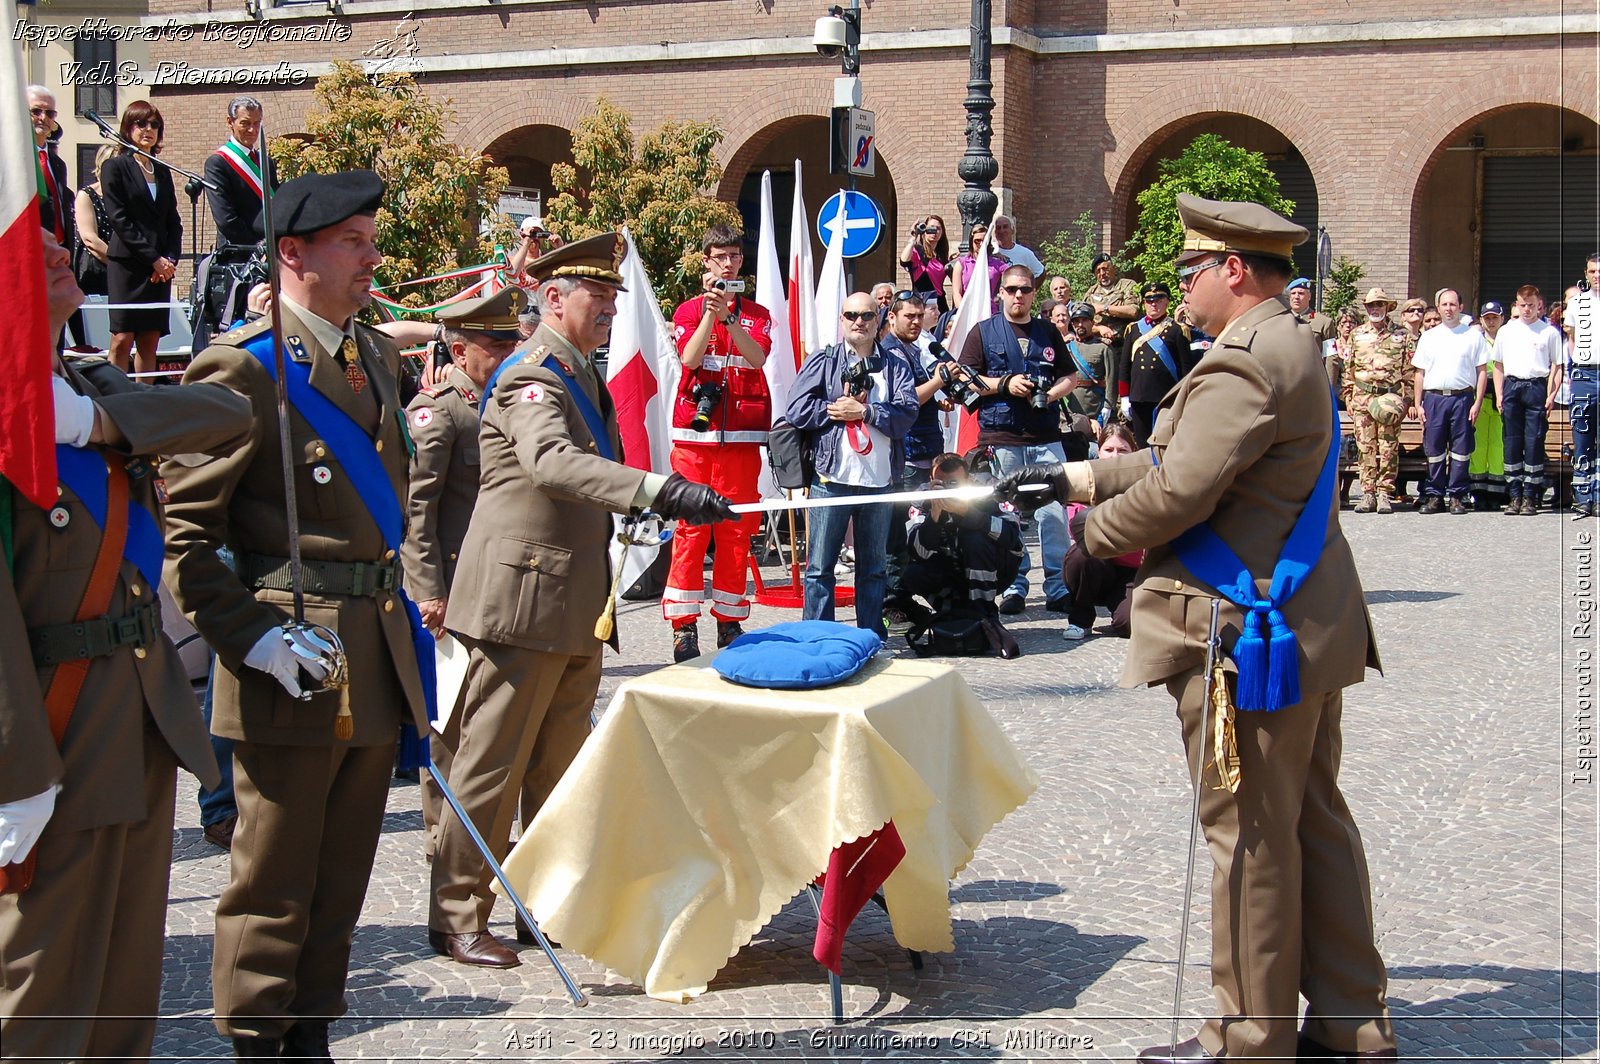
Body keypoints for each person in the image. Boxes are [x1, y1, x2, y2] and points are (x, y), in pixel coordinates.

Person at [996, 193, 1397, 1063]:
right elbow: (1190, 463)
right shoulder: (1292, 345)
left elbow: (1181, 492)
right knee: (1311, 820)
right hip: (1304, 625)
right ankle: (1349, 1018)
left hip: (1244, 637)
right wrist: (1072, 480)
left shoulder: (1241, 363)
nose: (1181, 288)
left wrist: (1092, 541)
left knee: (1250, 833)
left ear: (1233, 271)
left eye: (1189, 271)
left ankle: (1248, 1036)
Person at [163, 171, 434, 1058]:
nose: (371, 258)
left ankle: (311, 1029)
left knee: (343, 868)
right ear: (293, 254)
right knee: (274, 872)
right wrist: (250, 638)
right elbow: (187, 540)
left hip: (373, 649)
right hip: (294, 648)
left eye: (369, 239)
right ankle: (254, 1036)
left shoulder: (376, 356)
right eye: (352, 241)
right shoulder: (243, 366)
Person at [429, 234, 737, 968]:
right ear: (553, 299)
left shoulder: (578, 377)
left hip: (567, 601)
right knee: (491, 765)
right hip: (520, 600)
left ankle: (546, 900)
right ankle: (456, 914)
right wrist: (658, 488)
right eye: (594, 298)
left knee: (558, 770)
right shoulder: (530, 376)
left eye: (611, 299)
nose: (606, 310)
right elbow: (551, 463)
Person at [0, 230, 249, 1062]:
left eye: (52, 234)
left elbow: (226, 413)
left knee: (123, 987)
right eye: (26, 239)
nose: (54, 246)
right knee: (39, 987)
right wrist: (16, 775)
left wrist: (96, 419)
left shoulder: (80, 379)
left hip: (140, 716)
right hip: (53, 729)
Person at [401, 286, 525, 856]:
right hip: (452, 591)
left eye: (509, 341)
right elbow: (417, 513)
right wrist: (428, 592)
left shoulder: (509, 401)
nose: (503, 353)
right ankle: (442, 838)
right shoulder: (441, 411)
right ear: (458, 352)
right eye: (490, 345)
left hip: (501, 588)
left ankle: (491, 836)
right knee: (449, 723)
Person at [663, 224, 773, 661]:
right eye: (719, 257)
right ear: (705, 261)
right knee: (691, 528)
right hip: (695, 436)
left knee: (735, 529)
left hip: (742, 438)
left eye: (733, 257)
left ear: (741, 261)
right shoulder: (689, 310)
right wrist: (711, 312)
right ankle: (683, 625)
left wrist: (730, 316)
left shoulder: (757, 313)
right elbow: (689, 358)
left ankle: (729, 619)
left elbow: (758, 357)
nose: (727, 264)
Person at [785, 292, 919, 638]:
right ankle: (817, 637)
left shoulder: (896, 365)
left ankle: (871, 636)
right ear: (841, 320)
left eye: (866, 315)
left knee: (873, 568)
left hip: (879, 481)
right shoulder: (824, 360)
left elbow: (906, 416)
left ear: (879, 320)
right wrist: (835, 410)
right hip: (831, 479)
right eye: (851, 315)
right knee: (819, 568)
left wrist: (867, 412)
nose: (859, 321)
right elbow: (797, 409)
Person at [957, 263, 1081, 615]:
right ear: (1000, 293)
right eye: (1011, 290)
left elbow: (1070, 376)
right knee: (1009, 516)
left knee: (1054, 513)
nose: (1018, 296)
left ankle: (1058, 586)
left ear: (1033, 293)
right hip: (1002, 436)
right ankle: (1013, 584)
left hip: (1045, 434)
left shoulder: (1047, 331)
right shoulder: (984, 332)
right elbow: (967, 379)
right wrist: (1004, 385)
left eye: (1025, 290)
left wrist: (1051, 394)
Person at [886, 452, 1023, 633]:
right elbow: (917, 552)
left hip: (996, 567)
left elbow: (1013, 539)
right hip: (950, 566)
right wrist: (933, 516)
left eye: (954, 483)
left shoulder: (987, 489)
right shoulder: (923, 497)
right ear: (931, 480)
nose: (949, 489)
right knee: (912, 572)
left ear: (968, 479)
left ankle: (983, 611)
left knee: (974, 539)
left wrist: (969, 513)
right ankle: (953, 611)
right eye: (942, 483)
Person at [101, 101, 182, 376]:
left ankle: (143, 400)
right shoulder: (115, 167)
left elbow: (173, 221)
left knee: (150, 340)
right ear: (128, 128)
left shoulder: (162, 170)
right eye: (141, 124)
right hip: (128, 264)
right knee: (123, 338)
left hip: (160, 269)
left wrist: (169, 260)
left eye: (154, 125)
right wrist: (154, 259)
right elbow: (119, 219)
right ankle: (116, 398)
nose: (148, 130)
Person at [1060, 422, 1142, 640]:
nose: (1115, 456)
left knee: (1130, 625)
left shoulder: (1146, 487)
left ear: (1134, 453)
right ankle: (1080, 618)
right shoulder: (1084, 485)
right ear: (1098, 451)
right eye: (1109, 450)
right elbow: (1076, 530)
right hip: (1094, 564)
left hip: (1132, 572)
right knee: (1083, 552)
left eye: (1122, 450)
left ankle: (1122, 607)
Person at [1411, 289, 1489, 515]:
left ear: (1460, 307)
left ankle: (1457, 496)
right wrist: (1418, 403)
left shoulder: (1473, 336)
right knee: (1434, 449)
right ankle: (1435, 496)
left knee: (1461, 451)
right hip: (1434, 398)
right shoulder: (1429, 337)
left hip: (1462, 398)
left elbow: (1482, 371)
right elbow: (1419, 373)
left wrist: (1477, 402)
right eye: (1444, 305)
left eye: (1453, 304)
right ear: (1438, 307)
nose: (1448, 309)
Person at [1343, 287, 1415, 514]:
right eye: (1371, 305)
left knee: (1388, 448)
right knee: (1365, 448)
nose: (1375, 309)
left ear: (1387, 307)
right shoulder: (1357, 335)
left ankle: (1385, 492)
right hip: (1363, 397)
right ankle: (1367, 493)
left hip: (1389, 398)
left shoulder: (1401, 335)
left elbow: (1409, 371)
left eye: (1380, 304)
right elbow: (1349, 368)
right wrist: (1347, 397)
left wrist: (1407, 401)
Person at [1495, 285, 1565, 514]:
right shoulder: (1507, 331)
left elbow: (1557, 365)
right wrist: (1499, 394)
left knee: (1534, 442)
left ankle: (1530, 496)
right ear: (1516, 305)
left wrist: (1551, 394)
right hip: (1512, 386)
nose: (1527, 310)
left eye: (1531, 305)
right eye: (1522, 305)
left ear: (1539, 305)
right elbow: (1498, 365)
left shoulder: (1548, 332)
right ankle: (1514, 495)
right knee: (1512, 442)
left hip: (1536, 387)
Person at [30, 87, 87, 348]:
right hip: (29, 256)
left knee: (56, 337)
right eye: (35, 111)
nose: (43, 117)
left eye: (49, 112)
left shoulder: (57, 164)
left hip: (58, 256)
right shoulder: (13, 159)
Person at [1111, 281, 1196, 443]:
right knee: (1142, 443)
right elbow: (1125, 366)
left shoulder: (1177, 330)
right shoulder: (1134, 329)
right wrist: (1125, 397)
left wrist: (1185, 397)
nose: (1153, 304)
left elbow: (1186, 370)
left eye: (1158, 299)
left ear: (1167, 301)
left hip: (1166, 397)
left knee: (1165, 442)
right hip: (1139, 396)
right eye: (1149, 300)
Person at [203, 96, 277, 248]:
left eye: (257, 123)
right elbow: (226, 219)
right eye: (245, 123)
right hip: (239, 252)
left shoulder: (266, 162)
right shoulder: (218, 163)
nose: (252, 130)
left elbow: (276, 204)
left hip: (272, 250)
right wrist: (258, 246)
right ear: (230, 122)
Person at [1571, 254, 1600, 518]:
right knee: (1582, 436)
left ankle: (1599, 497)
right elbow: (1572, 338)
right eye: (1592, 271)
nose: (1597, 276)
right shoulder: (1577, 303)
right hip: (1584, 375)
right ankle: (1583, 497)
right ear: (1586, 273)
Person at [73, 145, 114, 300]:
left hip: (121, 274)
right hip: (94, 273)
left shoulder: (126, 198)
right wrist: (119, 264)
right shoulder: (86, 196)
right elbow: (90, 239)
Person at [1083, 252, 1140, 348]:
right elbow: (1082, 324)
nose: (1102, 274)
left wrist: (1104, 308)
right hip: (1099, 345)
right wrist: (1099, 329)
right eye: (1098, 271)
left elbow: (1133, 311)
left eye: (1105, 269)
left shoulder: (1127, 285)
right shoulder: (1090, 293)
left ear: (1114, 269)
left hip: (1125, 344)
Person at [900, 214, 951, 311]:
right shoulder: (918, 250)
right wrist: (914, 237)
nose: (934, 232)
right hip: (922, 302)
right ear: (924, 230)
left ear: (942, 232)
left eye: (938, 228)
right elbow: (904, 261)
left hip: (939, 302)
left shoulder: (941, 256)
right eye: (931, 228)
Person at [952, 220, 1004, 311]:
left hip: (989, 312)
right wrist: (963, 312)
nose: (981, 244)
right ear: (971, 242)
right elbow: (956, 293)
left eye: (984, 241)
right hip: (967, 311)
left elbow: (1013, 275)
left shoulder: (997, 264)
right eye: (977, 241)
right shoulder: (962, 264)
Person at [991, 214, 1045, 279]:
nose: (1002, 231)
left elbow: (1041, 272)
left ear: (1012, 230)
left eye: (1005, 227)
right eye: (998, 228)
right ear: (994, 232)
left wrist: (1030, 288)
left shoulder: (1024, 253)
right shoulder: (989, 250)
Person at [1286, 277, 1335, 347]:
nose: (1296, 297)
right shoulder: (1280, 320)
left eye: (1301, 293)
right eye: (1293, 293)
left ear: (1309, 296)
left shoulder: (1323, 322)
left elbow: (1331, 354)